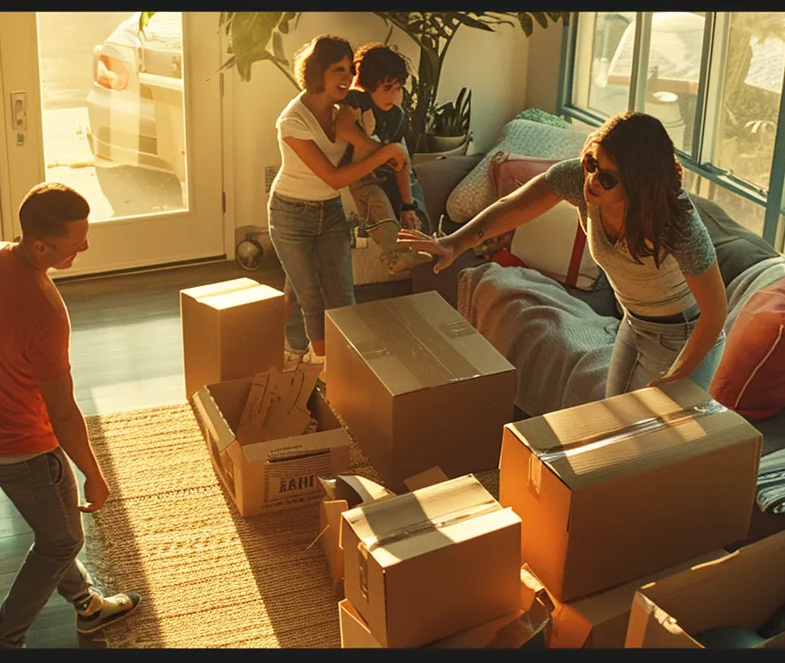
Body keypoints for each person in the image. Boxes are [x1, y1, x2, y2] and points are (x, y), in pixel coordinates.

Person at [398, 111, 728, 396]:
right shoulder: (578, 180)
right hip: (634, 322)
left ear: (639, 183)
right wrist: (454, 243)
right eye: (591, 162)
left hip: (683, 333)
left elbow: (715, 313)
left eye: (608, 177)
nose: (592, 179)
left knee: (644, 441)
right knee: (613, 418)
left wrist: (678, 375)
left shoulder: (677, 223)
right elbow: (512, 207)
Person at [0, 182, 142, 648]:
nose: (86, 246)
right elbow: (63, 412)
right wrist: (94, 474)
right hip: (22, 447)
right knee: (60, 543)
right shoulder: (46, 310)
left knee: (52, 529)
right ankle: (3, 641)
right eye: (77, 242)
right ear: (40, 246)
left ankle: (88, 606)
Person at [271, 34, 410, 369]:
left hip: (330, 212)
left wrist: (388, 155)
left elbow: (369, 146)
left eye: (350, 69)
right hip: (291, 214)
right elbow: (332, 177)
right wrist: (386, 154)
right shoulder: (293, 121)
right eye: (338, 70)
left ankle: (310, 351)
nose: (347, 78)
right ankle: (323, 365)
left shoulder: (347, 109)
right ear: (318, 71)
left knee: (341, 295)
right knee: (311, 297)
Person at [335, 42, 432, 276]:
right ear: (364, 86)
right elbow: (343, 127)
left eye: (398, 88)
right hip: (362, 177)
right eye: (387, 88)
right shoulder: (359, 101)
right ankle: (392, 254)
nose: (395, 96)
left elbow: (400, 160)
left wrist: (408, 205)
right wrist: (380, 152)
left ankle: (420, 244)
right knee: (377, 203)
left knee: (412, 208)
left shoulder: (397, 116)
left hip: (388, 175)